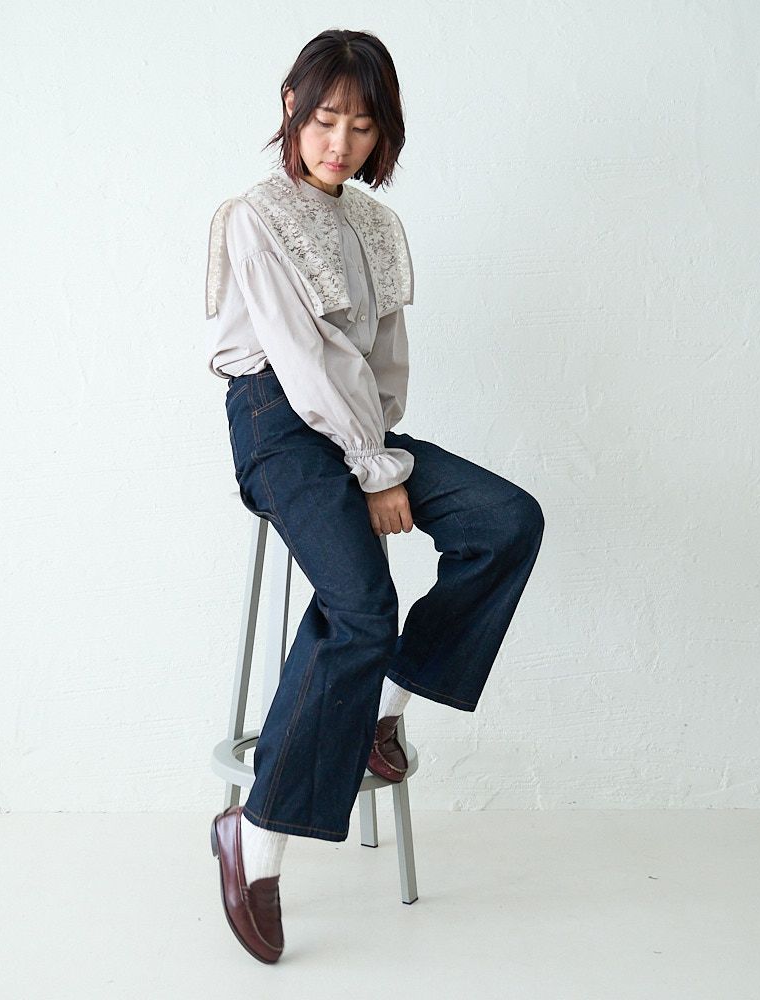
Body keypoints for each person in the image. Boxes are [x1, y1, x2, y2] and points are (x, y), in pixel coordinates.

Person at [205, 29, 545, 964]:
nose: (339, 143)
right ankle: (253, 840)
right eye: (324, 120)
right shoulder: (254, 216)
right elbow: (302, 358)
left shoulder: (377, 226)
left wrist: (379, 448)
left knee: (506, 521)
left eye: (361, 126)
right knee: (360, 605)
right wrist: (373, 469)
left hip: (359, 424)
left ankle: (383, 707)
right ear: (291, 107)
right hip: (279, 419)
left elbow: (382, 362)